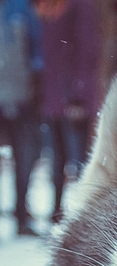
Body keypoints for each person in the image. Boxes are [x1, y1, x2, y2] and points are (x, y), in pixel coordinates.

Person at [33, 0, 100, 222]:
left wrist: (77, 96)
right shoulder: (49, 7)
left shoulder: (80, 6)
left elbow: (86, 48)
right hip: (54, 96)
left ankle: (84, 211)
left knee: (79, 159)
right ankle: (58, 209)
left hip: (73, 99)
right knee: (58, 157)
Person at [0, 0, 43, 235]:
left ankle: (20, 216)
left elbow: (37, 50)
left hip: (21, 95)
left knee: (24, 157)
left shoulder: (21, 8)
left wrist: (34, 82)